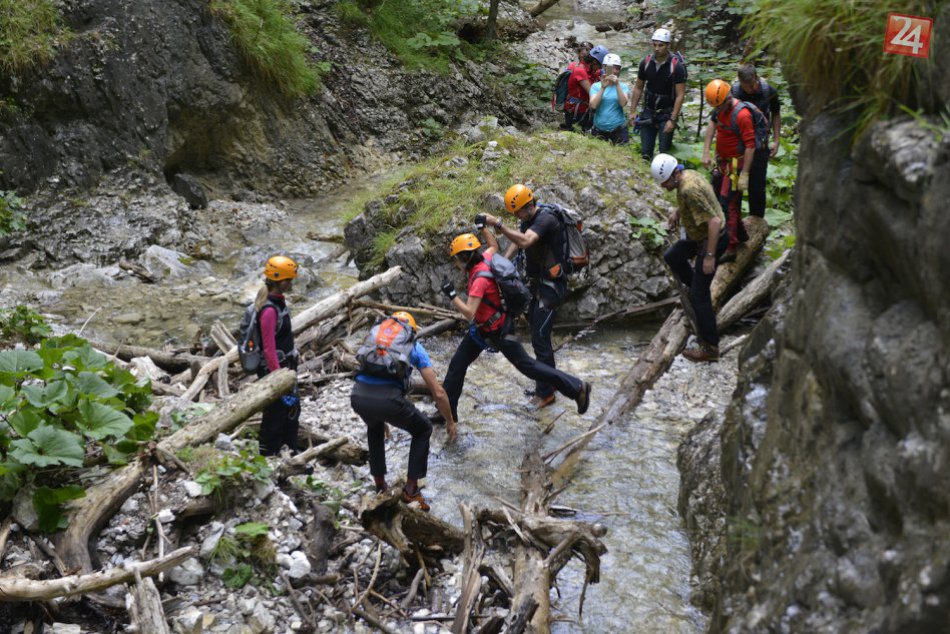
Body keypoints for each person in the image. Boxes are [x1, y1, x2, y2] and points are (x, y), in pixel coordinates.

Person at [440, 233, 592, 420]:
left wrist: (452, 295)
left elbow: (469, 312)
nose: (455, 264)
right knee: (457, 364)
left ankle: (577, 388)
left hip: (498, 332)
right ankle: (446, 412)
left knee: (529, 366)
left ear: (465, 258)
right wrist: (484, 228)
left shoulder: (479, 280)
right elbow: (494, 245)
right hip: (483, 330)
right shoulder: (486, 257)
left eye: (456, 259)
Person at [350, 311, 456, 511]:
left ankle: (380, 485)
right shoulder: (413, 345)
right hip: (388, 400)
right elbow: (439, 392)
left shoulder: (376, 339)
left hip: (358, 397)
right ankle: (411, 490)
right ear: (411, 330)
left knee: (374, 427)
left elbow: (369, 374)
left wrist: (380, 416)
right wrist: (450, 421)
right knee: (423, 429)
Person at [478, 185, 571, 410]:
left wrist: (498, 224)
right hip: (537, 285)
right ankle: (548, 383)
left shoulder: (546, 219)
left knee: (540, 337)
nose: (518, 216)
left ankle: (546, 393)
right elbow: (516, 242)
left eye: (518, 212)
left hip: (552, 288)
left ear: (529, 205)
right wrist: (501, 262)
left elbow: (526, 241)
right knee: (539, 335)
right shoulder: (527, 220)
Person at [651, 154, 727, 362]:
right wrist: (678, 212)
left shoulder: (688, 189)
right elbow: (702, 202)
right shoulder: (688, 175)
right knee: (673, 256)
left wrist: (710, 256)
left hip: (711, 239)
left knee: (699, 296)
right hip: (699, 237)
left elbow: (713, 222)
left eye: (664, 183)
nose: (663, 187)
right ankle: (697, 290)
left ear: (673, 175)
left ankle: (710, 348)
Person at [701, 78, 754, 262]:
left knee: (728, 202)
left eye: (719, 106)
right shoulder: (719, 109)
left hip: (736, 165)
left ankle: (731, 247)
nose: (717, 110)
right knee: (717, 197)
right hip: (723, 163)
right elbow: (712, 125)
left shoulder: (742, 115)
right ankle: (741, 234)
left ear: (728, 99)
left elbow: (750, 146)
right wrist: (706, 152)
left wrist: (745, 173)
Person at [255, 255, 301, 456]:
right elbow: (268, 348)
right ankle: (268, 454)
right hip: (276, 370)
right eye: (288, 280)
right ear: (279, 281)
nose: (290, 284)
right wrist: (278, 378)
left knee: (291, 411)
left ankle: (290, 451)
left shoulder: (278, 304)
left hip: (285, 368)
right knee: (275, 414)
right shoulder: (269, 311)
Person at [731, 64, 781, 218]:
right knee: (734, 186)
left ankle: (757, 222)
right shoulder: (734, 92)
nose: (750, 90)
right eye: (746, 87)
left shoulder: (768, 91)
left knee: (757, 188)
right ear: (740, 82)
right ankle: (733, 222)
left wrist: (777, 140)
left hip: (760, 146)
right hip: (737, 148)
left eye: (752, 85)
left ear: (756, 78)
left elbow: (776, 113)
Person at [628, 28, 686, 161]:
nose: (656, 48)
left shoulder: (676, 66)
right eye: (654, 44)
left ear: (668, 45)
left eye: (661, 45)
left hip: (666, 114)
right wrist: (632, 111)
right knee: (645, 152)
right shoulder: (646, 63)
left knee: (664, 152)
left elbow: (680, 95)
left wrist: (673, 119)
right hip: (648, 111)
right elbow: (638, 87)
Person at [563, 44, 607, 133]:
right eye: (600, 66)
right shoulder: (580, 71)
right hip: (576, 111)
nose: (600, 68)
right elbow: (591, 92)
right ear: (594, 62)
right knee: (576, 135)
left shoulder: (592, 70)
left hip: (584, 109)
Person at [589, 53, 630, 145]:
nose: (614, 71)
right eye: (612, 68)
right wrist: (603, 87)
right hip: (599, 129)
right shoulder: (595, 86)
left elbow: (623, 103)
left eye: (617, 68)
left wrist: (617, 84)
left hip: (618, 129)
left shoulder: (623, 87)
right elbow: (593, 105)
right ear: (604, 68)